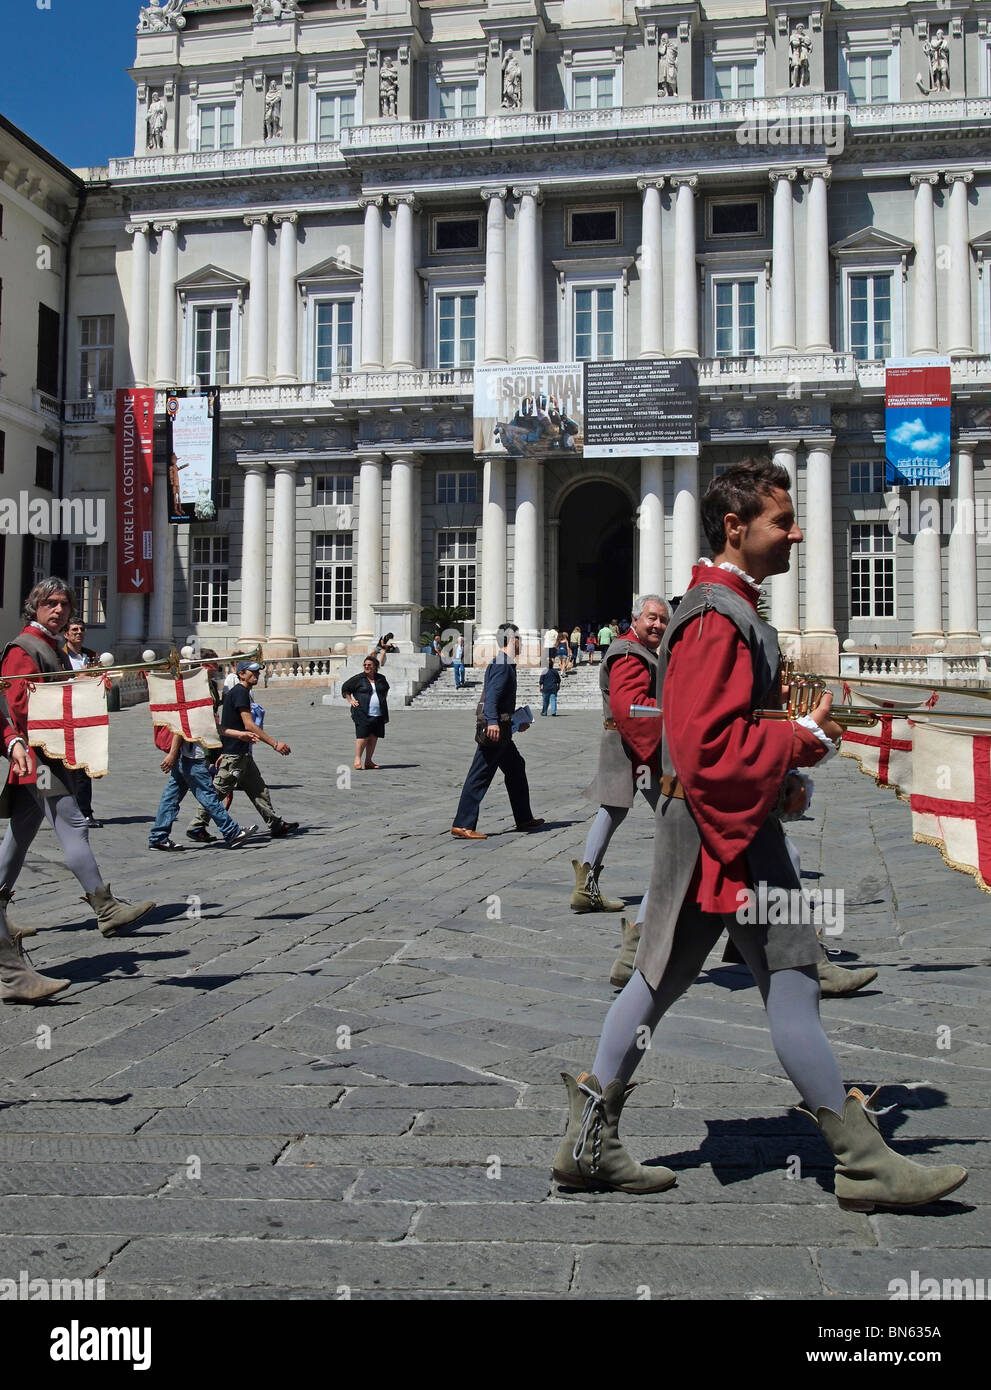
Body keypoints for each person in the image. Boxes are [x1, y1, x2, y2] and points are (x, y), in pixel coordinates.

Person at [551, 460, 967, 1213]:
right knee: (694, 982)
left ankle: (592, 1143)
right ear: (736, 529)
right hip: (720, 832)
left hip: (730, 827)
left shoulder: (728, 606)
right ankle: (861, 1162)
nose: (797, 531)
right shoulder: (715, 615)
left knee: (750, 982)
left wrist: (779, 767)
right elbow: (707, 749)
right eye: (782, 520)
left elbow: (728, 732)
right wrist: (798, 741)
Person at [0, 579, 155, 938]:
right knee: (73, 824)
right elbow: (22, 706)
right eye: (50, 603)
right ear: (34, 607)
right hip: (37, 761)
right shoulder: (23, 648)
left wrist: (82, 684)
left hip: (45, 759)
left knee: (18, 838)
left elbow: (57, 694)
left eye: (64, 604)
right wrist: (75, 688)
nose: (58, 610)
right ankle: (106, 907)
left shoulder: (46, 646)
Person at [571, 595, 671, 987]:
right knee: (673, 815)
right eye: (652, 618)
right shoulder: (628, 653)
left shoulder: (639, 651)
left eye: (664, 620)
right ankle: (638, 926)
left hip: (624, 745)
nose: (658, 625)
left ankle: (586, 885)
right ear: (635, 619)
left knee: (613, 810)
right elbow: (635, 709)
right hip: (635, 746)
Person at [451, 624, 543, 840]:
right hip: (495, 730)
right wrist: (492, 722)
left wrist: (515, 722)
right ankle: (462, 824)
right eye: (519, 638)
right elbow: (491, 696)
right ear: (512, 640)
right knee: (479, 775)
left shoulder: (505, 663)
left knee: (516, 768)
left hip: (503, 728)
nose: (521, 643)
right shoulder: (502, 664)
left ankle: (523, 818)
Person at [203, 661, 299, 837]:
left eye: (258, 672)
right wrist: (274, 743)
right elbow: (248, 724)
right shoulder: (240, 692)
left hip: (241, 752)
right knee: (218, 792)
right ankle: (197, 825)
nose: (256, 675)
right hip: (235, 755)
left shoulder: (241, 692)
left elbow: (228, 723)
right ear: (241, 674)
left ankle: (276, 824)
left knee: (259, 791)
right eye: (252, 672)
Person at [150, 720, 258, 851]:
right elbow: (181, 726)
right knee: (208, 796)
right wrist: (172, 754)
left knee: (171, 797)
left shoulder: (199, 701)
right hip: (192, 757)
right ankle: (231, 831)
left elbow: (209, 725)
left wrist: (239, 735)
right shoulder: (197, 700)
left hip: (183, 756)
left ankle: (158, 837)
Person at [59, 619, 102, 829]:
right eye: (74, 630)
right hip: (65, 716)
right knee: (66, 767)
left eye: (82, 629)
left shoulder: (92, 656)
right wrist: (80, 677)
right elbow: (56, 683)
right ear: (66, 634)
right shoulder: (59, 656)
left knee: (85, 767)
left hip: (87, 716)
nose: (79, 633)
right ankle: (67, 810)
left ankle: (85, 812)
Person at [342, 656, 390, 770]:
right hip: (362, 712)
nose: (367, 667)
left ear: (375, 666)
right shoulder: (358, 678)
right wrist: (351, 700)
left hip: (378, 712)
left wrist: (382, 699)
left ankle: (368, 761)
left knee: (373, 736)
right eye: (365, 665)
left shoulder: (381, 678)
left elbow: (386, 688)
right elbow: (345, 688)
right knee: (362, 736)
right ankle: (357, 759)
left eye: (369, 665)